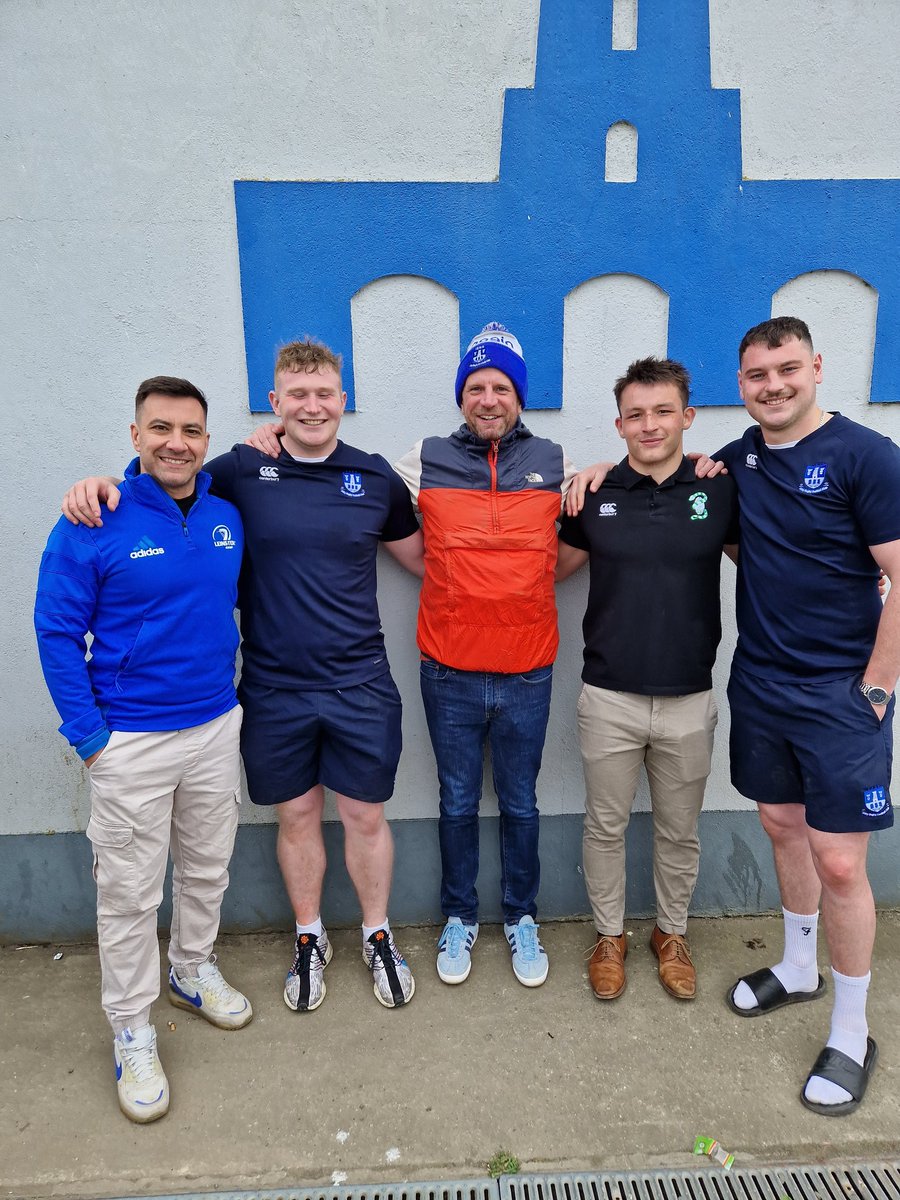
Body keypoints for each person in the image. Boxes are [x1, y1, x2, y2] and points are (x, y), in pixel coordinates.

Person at [60, 340, 425, 1013]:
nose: (312, 406)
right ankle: (310, 935)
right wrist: (103, 483)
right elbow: (163, 485)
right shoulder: (240, 469)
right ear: (276, 402)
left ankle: (377, 931)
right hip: (273, 685)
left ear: (342, 400)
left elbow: (429, 561)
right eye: (298, 394)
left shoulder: (375, 478)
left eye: (325, 393)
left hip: (361, 684)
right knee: (296, 813)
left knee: (365, 815)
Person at [36, 377, 250, 1124]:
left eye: (192, 430)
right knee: (129, 893)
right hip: (131, 738)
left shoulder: (226, 516)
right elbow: (55, 631)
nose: (176, 443)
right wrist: (93, 741)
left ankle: (192, 971)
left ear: (206, 439)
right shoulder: (95, 518)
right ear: (134, 436)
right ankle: (132, 1025)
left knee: (206, 867)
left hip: (216, 725)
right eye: (160, 428)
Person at [721, 317, 900, 1116]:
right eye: (758, 374)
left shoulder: (867, 456)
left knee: (840, 862)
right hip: (761, 683)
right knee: (780, 824)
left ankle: (854, 1029)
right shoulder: (737, 460)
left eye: (788, 369)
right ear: (742, 383)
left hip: (842, 693)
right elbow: (683, 492)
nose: (774, 385)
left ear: (817, 368)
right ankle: (797, 966)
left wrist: (877, 687)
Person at [393, 323, 578, 987]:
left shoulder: (556, 461)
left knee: (522, 803)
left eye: (502, 386)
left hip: (528, 669)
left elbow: (594, 522)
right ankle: (460, 917)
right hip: (449, 670)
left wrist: (528, 579)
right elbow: (361, 497)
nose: (489, 398)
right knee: (457, 801)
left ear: (519, 395)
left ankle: (522, 917)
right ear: (461, 397)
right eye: (476, 387)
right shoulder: (424, 459)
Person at [556, 358, 738, 1002]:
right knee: (604, 826)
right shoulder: (595, 494)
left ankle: (671, 932)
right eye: (636, 414)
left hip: (689, 696)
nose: (650, 424)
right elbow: (550, 571)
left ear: (687, 417)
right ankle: (610, 936)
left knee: (677, 830)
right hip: (609, 696)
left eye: (663, 411)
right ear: (619, 423)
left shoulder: (720, 488)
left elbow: (770, 565)